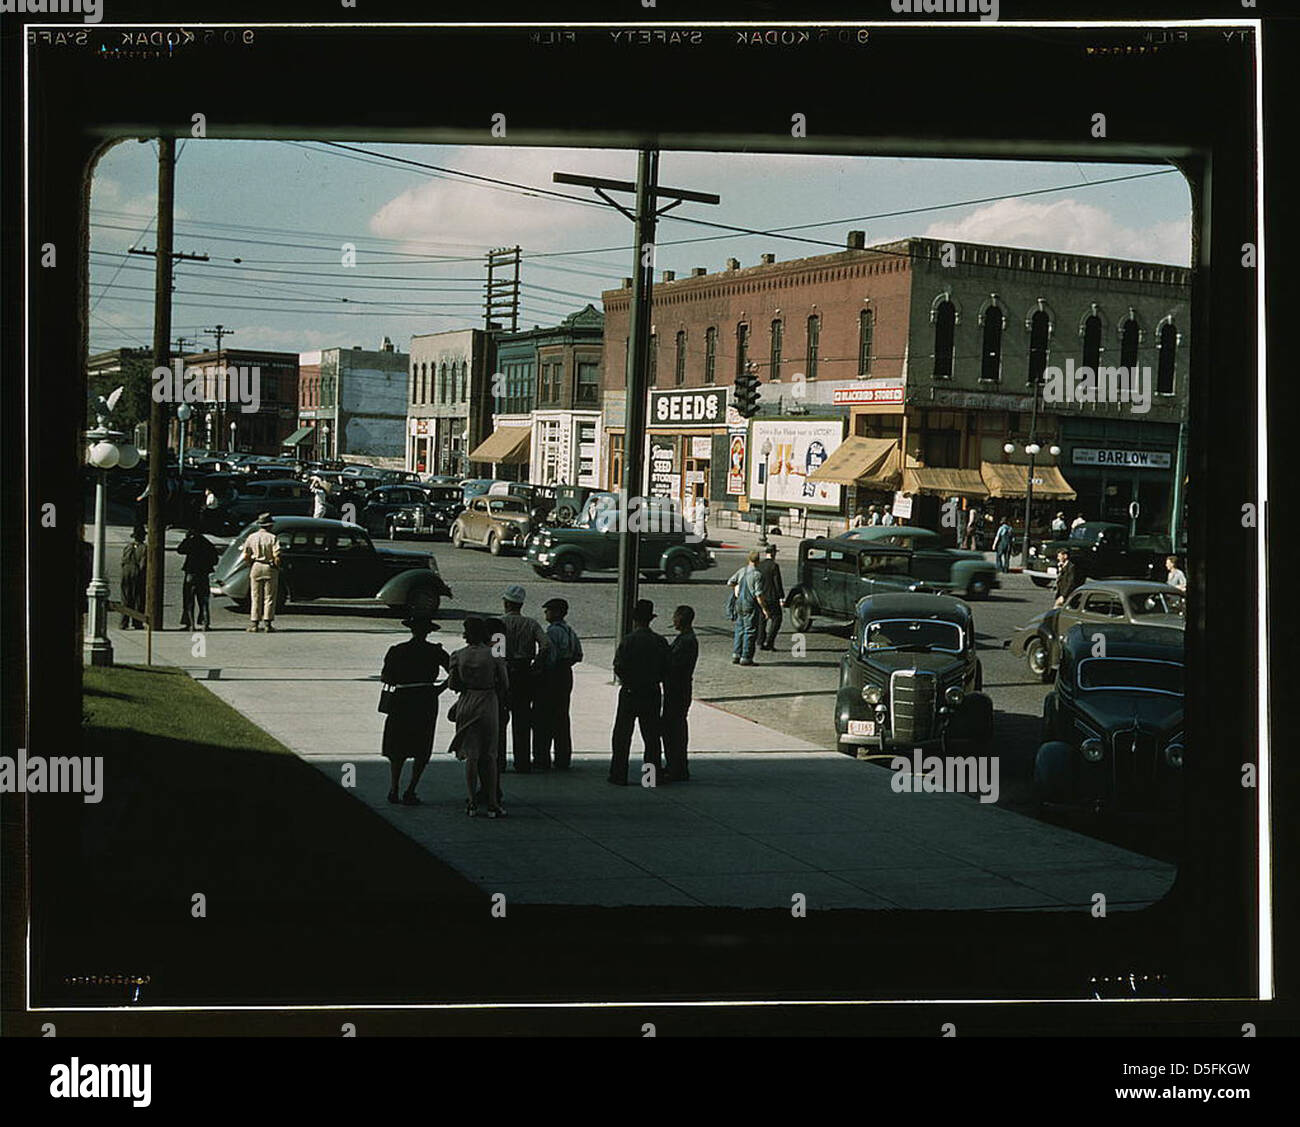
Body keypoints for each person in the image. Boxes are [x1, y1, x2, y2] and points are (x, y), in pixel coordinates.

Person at [379, 614, 449, 806]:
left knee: (397, 745)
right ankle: (411, 789)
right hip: (425, 699)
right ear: (428, 632)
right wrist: (437, 690)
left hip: (401, 699)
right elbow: (455, 671)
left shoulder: (396, 650)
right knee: (422, 745)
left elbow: (386, 677)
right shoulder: (435, 651)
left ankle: (394, 787)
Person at [448, 616, 509, 818]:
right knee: (490, 755)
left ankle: (472, 802)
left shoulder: (458, 655)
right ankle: (492, 803)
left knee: (471, 756)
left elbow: (453, 685)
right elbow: (504, 684)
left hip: (467, 702)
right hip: (488, 700)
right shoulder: (494, 655)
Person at [609, 599, 671, 785]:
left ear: (635, 620)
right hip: (651, 692)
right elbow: (668, 667)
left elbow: (618, 665)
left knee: (622, 737)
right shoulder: (660, 641)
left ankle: (618, 775)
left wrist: (628, 679)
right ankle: (650, 778)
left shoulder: (628, 640)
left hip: (630, 691)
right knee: (651, 738)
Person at [498, 584, 549, 772]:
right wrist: (537, 664)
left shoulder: (498, 624)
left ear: (506, 603)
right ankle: (522, 761)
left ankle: (499, 761)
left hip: (504, 673)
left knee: (500, 720)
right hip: (524, 673)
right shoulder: (531, 624)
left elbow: (496, 653)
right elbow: (545, 645)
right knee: (522, 720)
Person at [534, 597, 584, 771]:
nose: (546, 613)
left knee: (544, 718)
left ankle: (542, 758)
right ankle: (563, 758)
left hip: (552, 676)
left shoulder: (552, 632)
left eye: (548, 610)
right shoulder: (570, 631)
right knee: (562, 717)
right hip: (566, 674)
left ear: (555, 612)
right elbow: (578, 655)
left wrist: (539, 669)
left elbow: (549, 656)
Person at [661, 605, 698, 783]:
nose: (673, 620)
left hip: (678, 689)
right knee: (673, 728)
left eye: (675, 617)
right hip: (677, 688)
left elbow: (673, 664)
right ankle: (675, 765)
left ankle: (676, 767)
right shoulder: (684, 638)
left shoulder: (686, 641)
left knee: (673, 729)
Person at [241, 512, 282, 632]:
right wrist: (277, 566)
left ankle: (254, 623)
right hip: (269, 567)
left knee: (255, 596)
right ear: (269, 526)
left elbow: (245, 555)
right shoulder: (272, 538)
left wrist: (250, 564)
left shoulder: (251, 537)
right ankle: (268, 623)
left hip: (256, 566)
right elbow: (277, 556)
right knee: (269, 596)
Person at [728, 549, 768, 666]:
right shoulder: (757, 575)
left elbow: (730, 582)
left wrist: (736, 589)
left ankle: (736, 654)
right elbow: (758, 595)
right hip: (749, 604)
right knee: (749, 630)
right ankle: (746, 657)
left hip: (739, 603)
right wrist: (765, 609)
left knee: (739, 629)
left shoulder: (742, 571)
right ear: (758, 561)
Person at [177, 526, 219, 629]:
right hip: (203, 574)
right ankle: (205, 623)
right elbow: (215, 559)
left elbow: (180, 549)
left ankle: (190, 624)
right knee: (203, 601)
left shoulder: (190, 542)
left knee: (188, 600)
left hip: (191, 573)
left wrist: (186, 539)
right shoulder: (207, 543)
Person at [755, 543, 786, 652]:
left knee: (762, 619)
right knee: (777, 619)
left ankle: (760, 641)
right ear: (773, 553)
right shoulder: (774, 566)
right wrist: (781, 597)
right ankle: (770, 641)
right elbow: (777, 583)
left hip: (761, 596)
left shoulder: (760, 565)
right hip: (772, 596)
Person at [119, 525, 148, 629]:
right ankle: (137, 622)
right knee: (138, 598)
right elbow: (143, 564)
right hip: (136, 572)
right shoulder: (144, 548)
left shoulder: (128, 546)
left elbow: (122, 561)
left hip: (126, 572)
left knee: (126, 598)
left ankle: (123, 622)